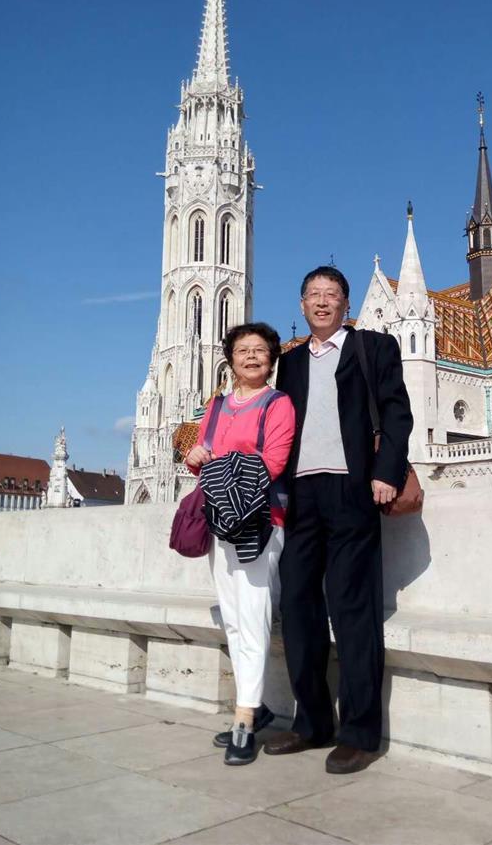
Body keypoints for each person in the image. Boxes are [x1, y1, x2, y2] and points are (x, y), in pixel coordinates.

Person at [263, 266, 413, 774]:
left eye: (331, 295)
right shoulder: (291, 363)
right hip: (301, 495)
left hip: (354, 488)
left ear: (346, 304)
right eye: (314, 295)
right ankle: (311, 723)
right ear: (302, 305)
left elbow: (396, 412)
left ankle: (359, 733)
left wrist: (386, 471)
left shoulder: (373, 347)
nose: (322, 302)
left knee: (354, 612)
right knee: (297, 608)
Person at [186, 322, 295, 766]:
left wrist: (220, 465)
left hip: (258, 521)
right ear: (230, 360)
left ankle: (245, 720)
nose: (251, 356)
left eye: (260, 350)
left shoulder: (278, 403)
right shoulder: (216, 406)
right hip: (218, 522)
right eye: (243, 350)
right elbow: (201, 455)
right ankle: (255, 705)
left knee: (253, 616)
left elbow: (274, 462)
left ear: (271, 359)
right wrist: (195, 457)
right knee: (232, 619)